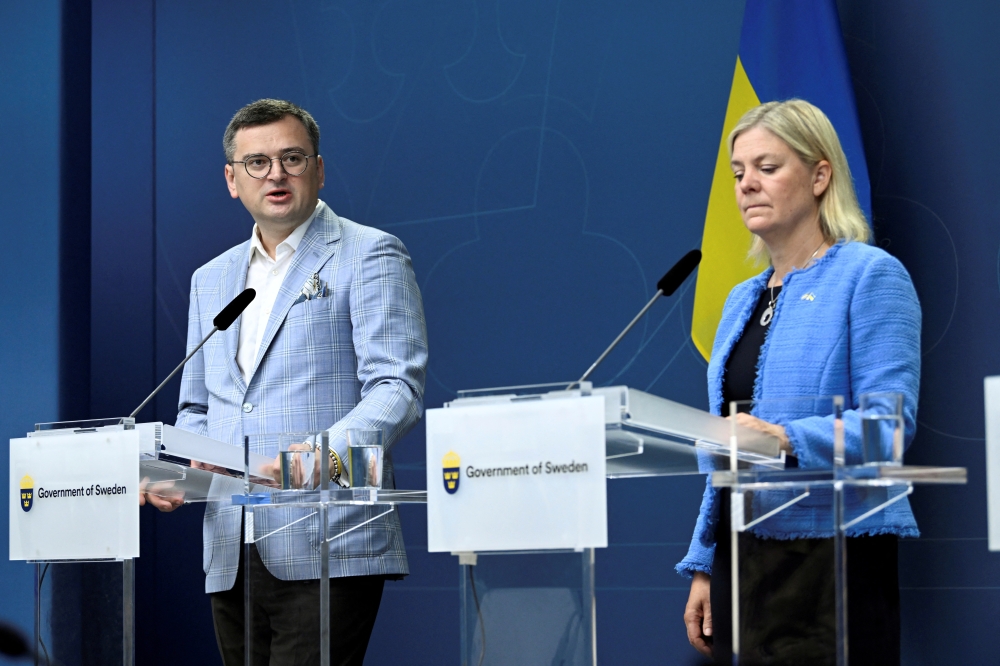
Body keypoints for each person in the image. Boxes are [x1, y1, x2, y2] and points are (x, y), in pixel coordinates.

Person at [144, 98, 428, 666]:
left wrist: (312, 458)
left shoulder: (369, 254)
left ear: (318, 169)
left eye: (291, 158)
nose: (275, 174)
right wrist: (179, 467)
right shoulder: (211, 278)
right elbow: (198, 405)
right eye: (257, 163)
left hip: (327, 532)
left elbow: (397, 388)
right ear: (232, 179)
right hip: (230, 541)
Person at [676, 99, 920, 665]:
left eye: (767, 167)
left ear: (819, 175)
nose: (747, 186)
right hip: (746, 557)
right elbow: (728, 447)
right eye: (739, 173)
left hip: (834, 558)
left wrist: (785, 441)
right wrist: (705, 562)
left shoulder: (871, 276)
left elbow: (889, 428)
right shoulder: (741, 301)